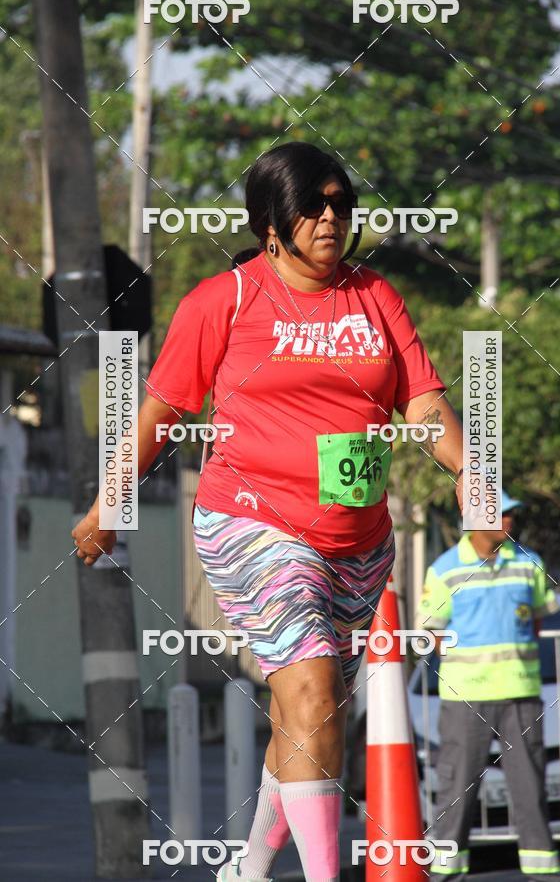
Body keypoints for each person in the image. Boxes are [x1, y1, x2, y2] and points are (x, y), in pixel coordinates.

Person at [72, 142, 465, 882]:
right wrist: (110, 502)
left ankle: (247, 869)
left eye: (342, 204)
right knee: (313, 688)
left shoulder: (375, 295)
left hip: (356, 538)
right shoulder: (226, 300)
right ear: (270, 224)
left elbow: (423, 399)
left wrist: (474, 473)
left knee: (308, 716)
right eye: (312, 205)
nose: (330, 218)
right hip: (253, 521)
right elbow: (161, 410)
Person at [416, 491, 560, 882]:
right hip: (466, 698)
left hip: (519, 694)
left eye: (512, 514)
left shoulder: (530, 563)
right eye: (502, 514)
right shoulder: (445, 569)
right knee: (457, 792)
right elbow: (429, 632)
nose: (510, 521)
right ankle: (447, 872)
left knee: (530, 790)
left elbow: (536, 620)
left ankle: (543, 871)